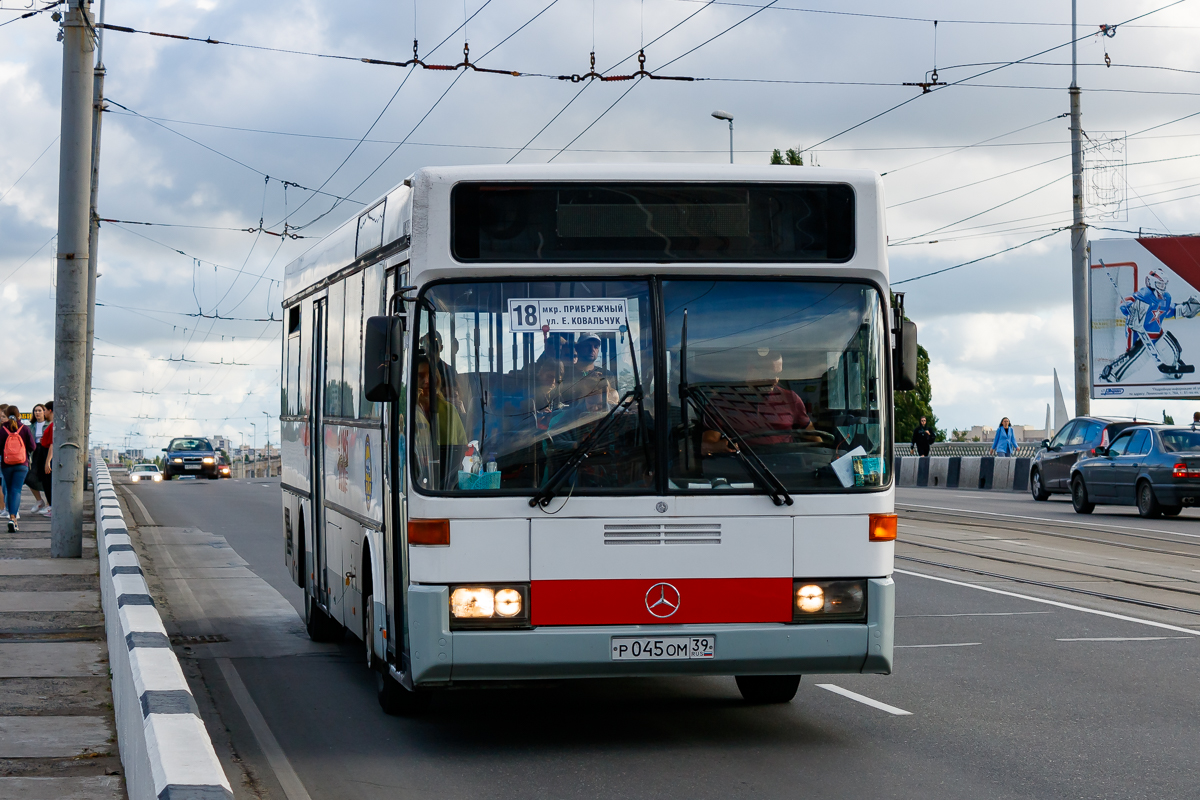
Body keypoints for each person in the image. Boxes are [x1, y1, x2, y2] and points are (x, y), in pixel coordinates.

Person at [701, 350, 818, 455]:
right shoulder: (723, 401)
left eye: (778, 374)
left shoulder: (790, 399)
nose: (775, 380)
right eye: (770, 374)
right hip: (745, 470)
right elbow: (706, 445)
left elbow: (814, 437)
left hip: (787, 468)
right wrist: (719, 446)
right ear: (751, 369)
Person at [0, 407, 36, 532]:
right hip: (22, 464)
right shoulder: (25, 428)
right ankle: (13, 518)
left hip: (6, 464)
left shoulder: (2, 428)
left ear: (6, 415)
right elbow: (33, 446)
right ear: (18, 415)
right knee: (16, 490)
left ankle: (10, 514)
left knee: (9, 490)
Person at [563, 332, 619, 410]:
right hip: (571, 419)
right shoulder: (565, 373)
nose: (592, 349)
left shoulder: (606, 374)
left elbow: (612, 400)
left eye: (596, 347)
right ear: (578, 348)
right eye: (587, 346)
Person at [25, 404, 49, 513]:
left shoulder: (49, 425)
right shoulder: (31, 426)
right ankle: (39, 500)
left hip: (46, 450)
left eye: (39, 410)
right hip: (35, 452)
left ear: (44, 412)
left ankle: (49, 503)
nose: (37, 413)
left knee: (48, 478)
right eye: (35, 410)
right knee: (29, 477)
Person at [37, 402, 53, 517]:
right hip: (44, 452)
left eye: (45, 410)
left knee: (48, 482)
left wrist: (47, 461)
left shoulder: (53, 425)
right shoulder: (51, 424)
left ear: (50, 411)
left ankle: (51, 507)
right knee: (46, 481)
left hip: (47, 454)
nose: (44, 412)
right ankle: (50, 506)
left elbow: (52, 443)